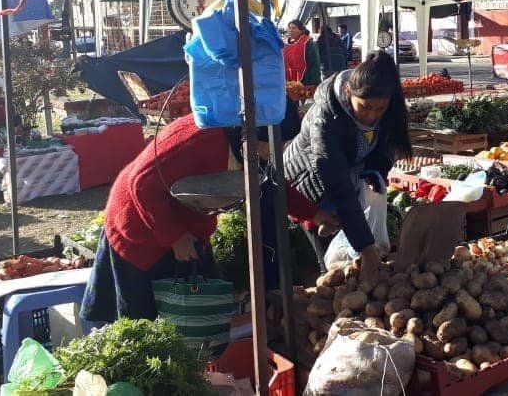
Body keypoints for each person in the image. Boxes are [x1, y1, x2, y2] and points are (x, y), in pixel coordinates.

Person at [81, 114, 338, 322]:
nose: (273, 155)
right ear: (254, 138)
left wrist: (314, 214)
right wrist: (175, 237)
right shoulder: (201, 141)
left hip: (187, 225)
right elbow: (142, 184)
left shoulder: (247, 146)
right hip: (139, 226)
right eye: (272, 148)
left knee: (203, 309)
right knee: (142, 318)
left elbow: (270, 183)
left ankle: (201, 365)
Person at [283, 50, 411, 282]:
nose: (371, 116)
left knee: (353, 266)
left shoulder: (389, 111)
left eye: (379, 109)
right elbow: (337, 183)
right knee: (335, 274)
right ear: (348, 92)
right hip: (312, 188)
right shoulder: (326, 119)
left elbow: (385, 149)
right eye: (365, 107)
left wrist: (375, 173)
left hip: (348, 185)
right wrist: (366, 247)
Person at [283, 20, 321, 86]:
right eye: (290, 28)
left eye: (294, 28)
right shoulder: (285, 43)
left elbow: (315, 64)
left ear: (301, 31)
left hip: (305, 81)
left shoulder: (309, 43)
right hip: (288, 80)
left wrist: (314, 83)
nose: (291, 30)